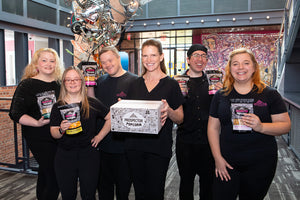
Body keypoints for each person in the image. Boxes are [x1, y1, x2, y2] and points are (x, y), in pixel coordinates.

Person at [207, 48, 291, 200]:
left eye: (246, 63)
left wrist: (261, 127)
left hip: (261, 163)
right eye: (235, 64)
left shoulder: (270, 94)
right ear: (230, 68)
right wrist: (217, 158)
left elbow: (285, 125)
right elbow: (213, 127)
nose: (240, 68)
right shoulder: (221, 95)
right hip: (227, 162)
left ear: (254, 67)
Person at [125, 38, 184, 200]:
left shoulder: (171, 84)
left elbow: (180, 118)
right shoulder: (134, 84)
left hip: (159, 148)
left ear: (161, 57)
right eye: (145, 56)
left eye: (152, 55)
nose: (149, 60)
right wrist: (122, 110)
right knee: (139, 193)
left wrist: (169, 110)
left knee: (156, 193)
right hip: (134, 147)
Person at [50, 66, 111, 200]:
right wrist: (61, 129)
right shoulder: (57, 106)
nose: (72, 83)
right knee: (67, 195)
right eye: (68, 80)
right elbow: (54, 133)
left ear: (82, 82)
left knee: (89, 195)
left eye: (76, 79)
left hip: (88, 155)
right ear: (64, 83)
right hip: (64, 155)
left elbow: (111, 117)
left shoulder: (92, 103)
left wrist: (99, 137)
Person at [9, 48, 62, 200]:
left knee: (46, 173)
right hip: (38, 137)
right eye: (44, 60)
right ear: (36, 63)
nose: (48, 64)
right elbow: (15, 113)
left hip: (59, 135)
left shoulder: (60, 84)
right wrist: (37, 123)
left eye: (52, 61)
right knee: (54, 173)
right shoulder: (27, 85)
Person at [87, 46, 137, 200]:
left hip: (125, 148)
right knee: (104, 191)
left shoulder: (135, 81)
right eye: (103, 62)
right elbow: (93, 105)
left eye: (110, 60)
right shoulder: (100, 81)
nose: (107, 65)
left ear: (118, 58)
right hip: (102, 148)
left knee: (123, 192)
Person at [176, 44, 222, 200]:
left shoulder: (214, 82)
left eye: (203, 56)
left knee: (208, 185)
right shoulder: (178, 82)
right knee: (186, 184)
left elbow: (221, 112)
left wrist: (222, 94)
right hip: (185, 142)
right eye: (196, 55)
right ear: (188, 59)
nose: (200, 59)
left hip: (209, 143)